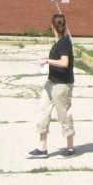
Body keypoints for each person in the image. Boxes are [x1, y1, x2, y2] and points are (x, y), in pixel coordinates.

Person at [28, 13, 76, 158]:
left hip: (62, 85)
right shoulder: (58, 42)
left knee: (64, 116)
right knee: (43, 112)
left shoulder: (64, 42)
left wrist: (48, 61)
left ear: (52, 27)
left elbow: (64, 63)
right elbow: (58, 59)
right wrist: (46, 58)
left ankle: (71, 149)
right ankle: (42, 148)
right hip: (51, 82)